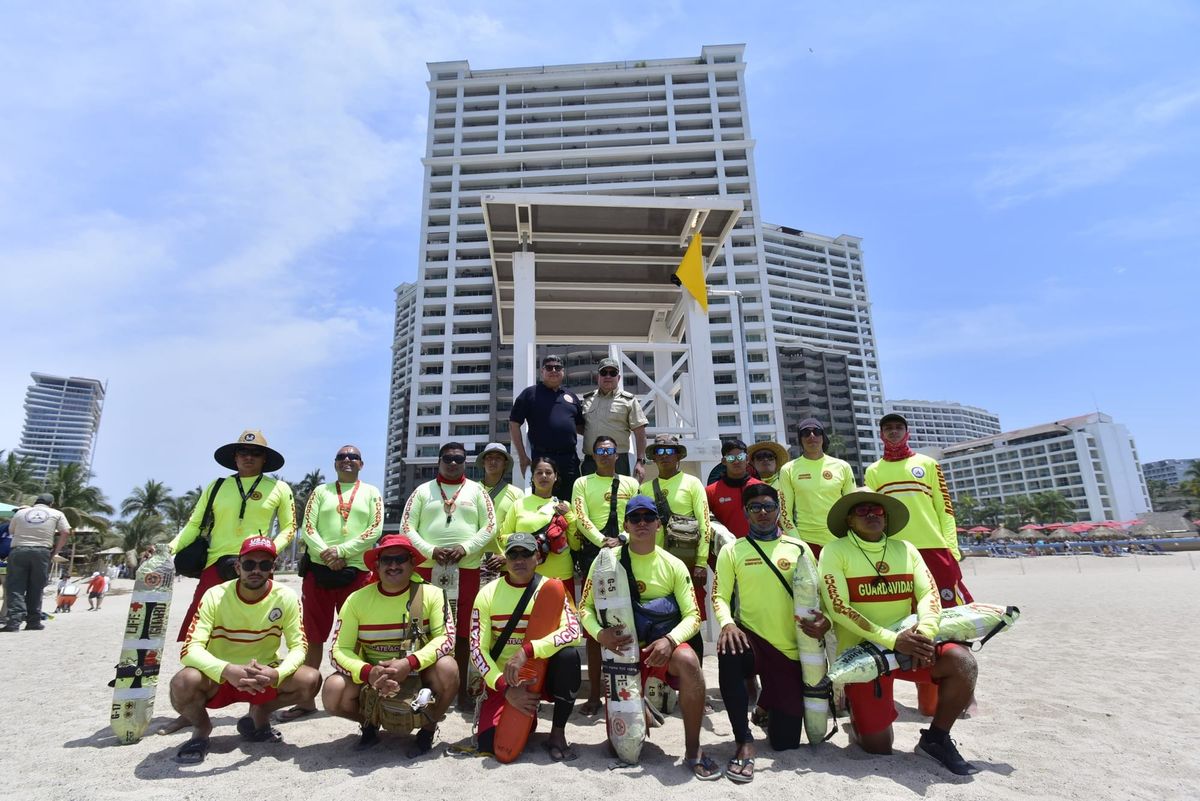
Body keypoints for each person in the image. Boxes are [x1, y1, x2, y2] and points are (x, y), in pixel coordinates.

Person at [818, 489, 980, 775]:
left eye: (878, 511)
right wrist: (893, 640)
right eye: (862, 511)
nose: (872, 515)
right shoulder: (834, 550)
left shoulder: (905, 548)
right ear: (849, 521)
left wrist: (926, 633)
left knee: (962, 661)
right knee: (878, 748)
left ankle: (936, 739)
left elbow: (929, 595)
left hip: (911, 647)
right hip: (864, 656)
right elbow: (838, 607)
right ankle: (858, 721)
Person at [579, 495, 719, 780]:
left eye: (648, 517)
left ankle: (694, 751)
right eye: (635, 518)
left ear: (658, 524)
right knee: (620, 747)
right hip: (621, 654)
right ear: (626, 525)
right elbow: (584, 608)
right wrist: (599, 634)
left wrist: (669, 641)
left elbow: (693, 616)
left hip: (659, 649)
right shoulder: (605, 561)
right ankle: (641, 710)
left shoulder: (674, 565)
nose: (641, 523)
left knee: (690, 662)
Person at [713, 484, 831, 782]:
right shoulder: (732, 550)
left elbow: (821, 596)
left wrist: (825, 621)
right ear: (745, 512)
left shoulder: (799, 548)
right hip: (751, 638)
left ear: (779, 510)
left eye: (768, 506)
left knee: (785, 743)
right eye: (755, 508)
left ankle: (765, 704)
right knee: (729, 652)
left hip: (791, 651)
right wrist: (727, 624)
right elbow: (719, 596)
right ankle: (744, 739)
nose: (763, 513)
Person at [169, 536, 320, 764]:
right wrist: (227, 669)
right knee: (182, 682)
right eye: (249, 564)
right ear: (238, 566)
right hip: (218, 676)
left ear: (273, 568)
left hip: (263, 677)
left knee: (311, 679)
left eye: (264, 565)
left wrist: (276, 674)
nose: (256, 570)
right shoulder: (215, 595)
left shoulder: (286, 596)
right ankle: (202, 729)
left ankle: (260, 714)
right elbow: (189, 650)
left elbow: (299, 646)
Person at [864, 413, 970, 716]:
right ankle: (919, 695)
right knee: (904, 621)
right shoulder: (874, 471)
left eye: (898, 428)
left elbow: (944, 509)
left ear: (906, 432)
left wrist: (952, 549)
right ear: (881, 434)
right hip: (895, 553)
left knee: (947, 621)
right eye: (888, 429)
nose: (893, 433)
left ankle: (955, 691)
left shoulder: (928, 464)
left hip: (935, 549)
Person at [324, 534, 458, 756]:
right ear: (377, 565)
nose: (394, 565)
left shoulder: (432, 594)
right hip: (375, 678)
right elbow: (338, 649)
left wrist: (410, 663)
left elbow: (446, 637)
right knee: (332, 690)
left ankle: (427, 729)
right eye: (387, 560)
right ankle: (370, 723)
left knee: (448, 668)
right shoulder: (357, 599)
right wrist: (369, 672)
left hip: (417, 673)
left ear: (412, 563)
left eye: (401, 559)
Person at [280, 444, 383, 722]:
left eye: (353, 457)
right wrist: (328, 554)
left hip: (357, 570)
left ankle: (360, 696)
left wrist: (342, 552)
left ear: (361, 464)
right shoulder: (320, 492)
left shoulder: (372, 492)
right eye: (341, 457)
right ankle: (305, 699)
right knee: (313, 636)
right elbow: (308, 527)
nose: (347, 460)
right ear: (334, 463)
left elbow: (375, 529)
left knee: (359, 636)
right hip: (319, 570)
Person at [166, 430, 296, 642]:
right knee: (200, 631)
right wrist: (168, 549)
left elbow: (289, 528)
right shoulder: (216, 486)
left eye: (256, 452)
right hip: (215, 564)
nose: (248, 456)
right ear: (235, 456)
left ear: (265, 459)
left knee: (254, 630)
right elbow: (194, 525)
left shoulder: (279, 488)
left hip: (256, 565)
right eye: (243, 451)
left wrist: (268, 551)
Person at [469, 532, 583, 761]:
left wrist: (527, 651)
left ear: (537, 557)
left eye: (526, 553)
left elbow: (573, 632)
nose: (519, 560)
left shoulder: (553, 589)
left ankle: (558, 733)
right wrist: (506, 688)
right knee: (490, 745)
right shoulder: (487, 593)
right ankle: (525, 716)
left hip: (542, 673)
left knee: (569, 657)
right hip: (504, 681)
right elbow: (477, 650)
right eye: (513, 554)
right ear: (505, 558)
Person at [399, 441, 496, 705]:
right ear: (439, 461)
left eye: (459, 459)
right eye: (448, 458)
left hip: (466, 569)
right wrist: (430, 550)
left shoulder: (477, 491)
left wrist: (465, 548)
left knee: (464, 632)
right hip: (424, 571)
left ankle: (462, 690)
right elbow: (406, 527)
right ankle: (418, 687)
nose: (453, 463)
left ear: (465, 462)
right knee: (417, 629)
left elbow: (490, 527)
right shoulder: (422, 491)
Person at [570, 434, 639, 715]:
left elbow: (637, 515)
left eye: (610, 450)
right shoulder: (582, 483)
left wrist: (621, 538)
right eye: (600, 450)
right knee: (595, 627)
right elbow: (579, 516)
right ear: (593, 455)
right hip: (594, 555)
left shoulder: (631, 483)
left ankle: (633, 692)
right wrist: (602, 541)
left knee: (631, 621)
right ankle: (595, 696)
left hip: (625, 553)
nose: (605, 454)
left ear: (617, 453)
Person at [640, 434, 710, 657]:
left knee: (692, 618)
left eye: (670, 451)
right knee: (660, 618)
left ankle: (694, 674)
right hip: (657, 566)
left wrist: (701, 562)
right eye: (659, 452)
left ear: (678, 455)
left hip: (688, 564)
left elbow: (704, 523)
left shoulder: (693, 483)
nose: (664, 456)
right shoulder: (645, 489)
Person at [777, 418, 856, 559]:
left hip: (840, 542)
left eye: (816, 431)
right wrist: (800, 544)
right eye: (806, 433)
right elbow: (784, 513)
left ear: (823, 437)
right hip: (806, 543)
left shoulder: (843, 466)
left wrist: (850, 540)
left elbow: (853, 508)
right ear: (800, 439)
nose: (811, 436)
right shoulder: (788, 469)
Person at [509, 354, 584, 499]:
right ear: (542, 372)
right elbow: (514, 424)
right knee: (542, 501)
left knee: (570, 502)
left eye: (558, 367)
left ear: (563, 372)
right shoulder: (530, 394)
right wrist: (523, 457)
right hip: (542, 459)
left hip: (569, 460)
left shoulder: (571, 396)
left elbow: (581, 427)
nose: (553, 370)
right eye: (549, 367)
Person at [497, 456, 575, 589]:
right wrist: (528, 541)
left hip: (560, 573)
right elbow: (502, 538)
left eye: (548, 473)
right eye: (539, 473)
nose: (544, 476)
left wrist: (571, 517)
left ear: (555, 477)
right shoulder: (518, 505)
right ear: (532, 477)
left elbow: (575, 545)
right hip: (526, 573)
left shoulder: (565, 506)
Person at [3, 493, 71, 632]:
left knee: (16, 586)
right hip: (42, 551)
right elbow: (65, 532)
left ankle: (14, 622)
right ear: (51, 503)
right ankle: (33, 621)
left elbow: (11, 530)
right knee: (36, 586)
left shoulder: (21, 513)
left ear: (36, 502)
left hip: (18, 550)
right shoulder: (56, 513)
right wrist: (55, 551)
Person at [579, 357, 649, 481]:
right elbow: (580, 427)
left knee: (620, 498)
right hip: (592, 460)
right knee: (591, 498)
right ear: (598, 377)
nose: (608, 376)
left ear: (619, 378)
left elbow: (640, 433)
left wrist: (640, 461)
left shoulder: (628, 401)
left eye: (613, 373)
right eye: (604, 372)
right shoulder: (587, 400)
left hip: (618, 460)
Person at [476, 443, 524, 577]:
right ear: (483, 462)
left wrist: (506, 555)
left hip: (505, 562)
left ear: (505, 463)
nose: (493, 461)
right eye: (489, 457)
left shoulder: (517, 494)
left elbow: (520, 530)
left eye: (498, 458)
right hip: (473, 561)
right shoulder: (470, 490)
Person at [705, 439, 763, 539]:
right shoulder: (710, 492)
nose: (736, 461)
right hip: (725, 551)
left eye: (740, 457)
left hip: (759, 548)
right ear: (724, 461)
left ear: (747, 459)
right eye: (731, 458)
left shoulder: (762, 488)